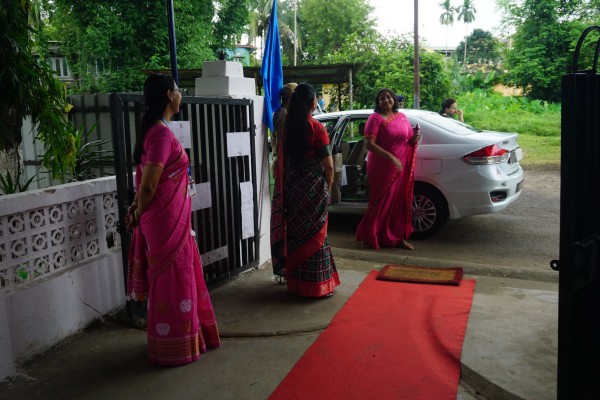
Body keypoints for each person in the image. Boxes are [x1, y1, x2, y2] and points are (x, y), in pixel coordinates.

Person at [125, 74, 220, 365]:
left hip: (168, 218)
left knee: (177, 278)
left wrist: (136, 209)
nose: (182, 95)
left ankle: (181, 339)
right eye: (179, 90)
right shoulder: (161, 134)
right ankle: (174, 345)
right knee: (174, 280)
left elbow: (148, 182)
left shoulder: (157, 131)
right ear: (169, 95)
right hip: (165, 222)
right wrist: (136, 213)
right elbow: (149, 186)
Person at [270, 83, 340, 298]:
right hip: (313, 191)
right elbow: (329, 166)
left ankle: (297, 285)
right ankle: (317, 286)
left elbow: (282, 161)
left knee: (297, 235)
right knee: (317, 237)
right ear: (312, 102)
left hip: (292, 190)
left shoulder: (287, 129)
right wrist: (326, 188)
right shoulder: (317, 128)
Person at [355, 88, 420, 250]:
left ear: (394, 99)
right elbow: (369, 144)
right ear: (378, 102)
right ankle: (370, 236)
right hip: (381, 166)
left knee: (399, 202)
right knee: (381, 202)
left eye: (388, 97)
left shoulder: (402, 117)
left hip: (400, 165)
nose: (385, 100)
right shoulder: (375, 118)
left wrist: (414, 138)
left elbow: (407, 140)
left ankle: (398, 237)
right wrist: (390, 157)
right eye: (381, 98)